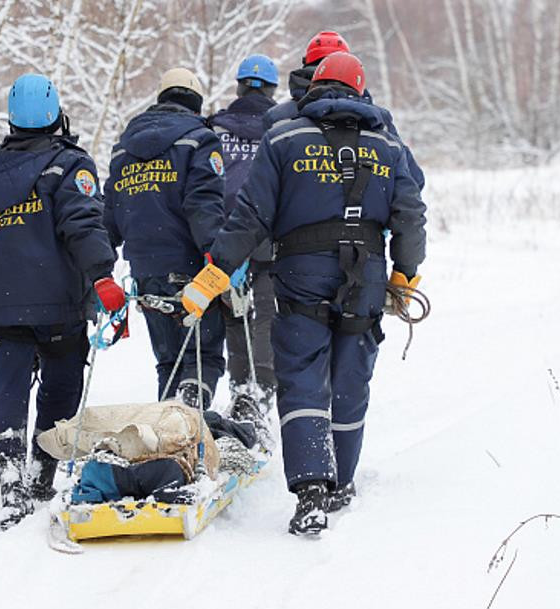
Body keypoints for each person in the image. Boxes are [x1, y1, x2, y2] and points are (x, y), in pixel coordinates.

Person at [178, 52, 426, 537]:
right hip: (367, 276)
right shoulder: (386, 146)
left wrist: (214, 275)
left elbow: (250, 214)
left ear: (312, 91)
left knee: (302, 378)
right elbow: (411, 214)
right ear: (359, 91)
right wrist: (405, 274)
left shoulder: (284, 138)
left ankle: (311, 488)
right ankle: (342, 483)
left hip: (300, 275)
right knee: (351, 380)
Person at [0, 73, 126, 531]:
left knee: (6, 384)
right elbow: (83, 225)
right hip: (57, 303)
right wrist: (102, 276)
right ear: (57, 116)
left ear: (12, 121)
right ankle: (44, 467)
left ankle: (10, 475)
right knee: (61, 381)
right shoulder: (69, 167)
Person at [103, 68, 227, 408]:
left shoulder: (122, 150)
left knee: (169, 363)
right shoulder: (200, 140)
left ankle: (167, 441)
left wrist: (98, 267)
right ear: (197, 105)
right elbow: (203, 203)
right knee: (205, 357)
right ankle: (187, 419)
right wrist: (219, 257)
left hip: (145, 271)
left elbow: (110, 216)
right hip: (190, 268)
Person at [207, 53, 280, 423]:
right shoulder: (281, 129)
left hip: (225, 238)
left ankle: (240, 395)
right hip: (268, 235)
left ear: (239, 87)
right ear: (272, 89)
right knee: (265, 316)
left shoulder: (215, 128)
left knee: (235, 316)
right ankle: (261, 400)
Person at [265, 31, 425, 189]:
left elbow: (260, 183)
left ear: (306, 63)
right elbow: (413, 180)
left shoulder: (278, 117)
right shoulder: (377, 119)